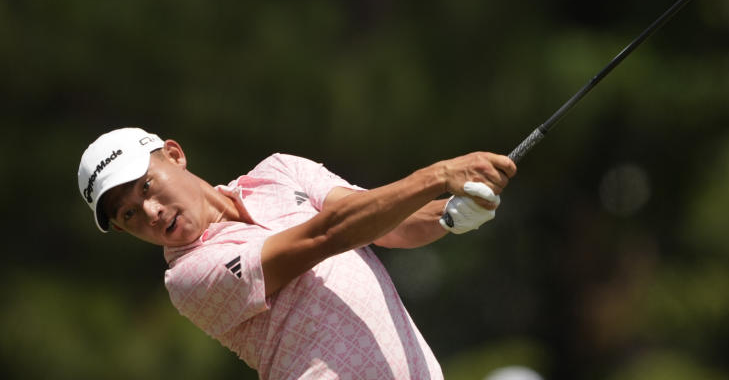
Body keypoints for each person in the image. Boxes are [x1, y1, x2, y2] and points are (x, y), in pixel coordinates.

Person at [77, 127, 517, 379]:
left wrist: (450, 213)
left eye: (146, 187)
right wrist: (439, 175)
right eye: (129, 215)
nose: (150, 212)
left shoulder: (280, 170)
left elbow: (387, 223)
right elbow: (327, 236)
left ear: (174, 155)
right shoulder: (189, 278)